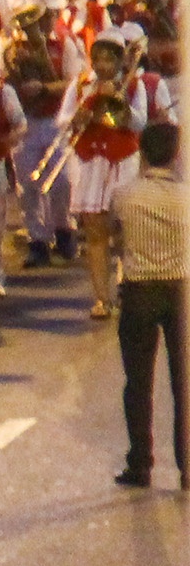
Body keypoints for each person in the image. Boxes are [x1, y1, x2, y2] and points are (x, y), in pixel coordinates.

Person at [110, 121, 187, 488]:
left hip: (139, 290)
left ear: (142, 152)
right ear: (176, 155)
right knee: (183, 382)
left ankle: (140, 463)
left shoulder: (124, 194)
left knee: (138, 383)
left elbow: (115, 237)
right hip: (181, 292)